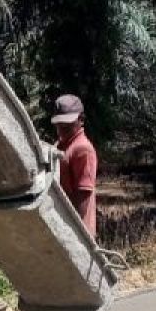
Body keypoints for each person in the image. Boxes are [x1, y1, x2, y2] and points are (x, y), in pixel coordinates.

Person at [51, 94, 98, 237]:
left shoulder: (82, 149)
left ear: (81, 120)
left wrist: (76, 234)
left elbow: (83, 195)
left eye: (67, 124)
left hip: (75, 231)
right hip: (60, 226)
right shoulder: (61, 145)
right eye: (59, 124)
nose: (61, 128)